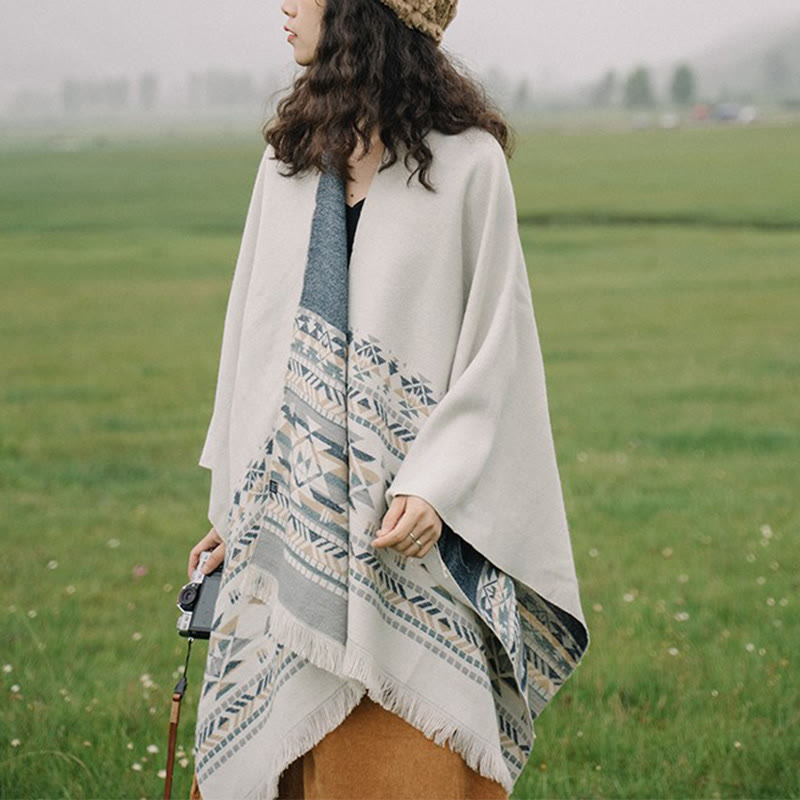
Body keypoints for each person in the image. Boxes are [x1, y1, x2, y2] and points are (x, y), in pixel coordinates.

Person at [188, 0, 590, 798]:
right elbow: (253, 348)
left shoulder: (469, 166)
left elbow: (497, 355)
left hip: (405, 547)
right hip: (288, 538)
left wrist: (435, 486)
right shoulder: (288, 166)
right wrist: (235, 511)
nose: (285, 6)